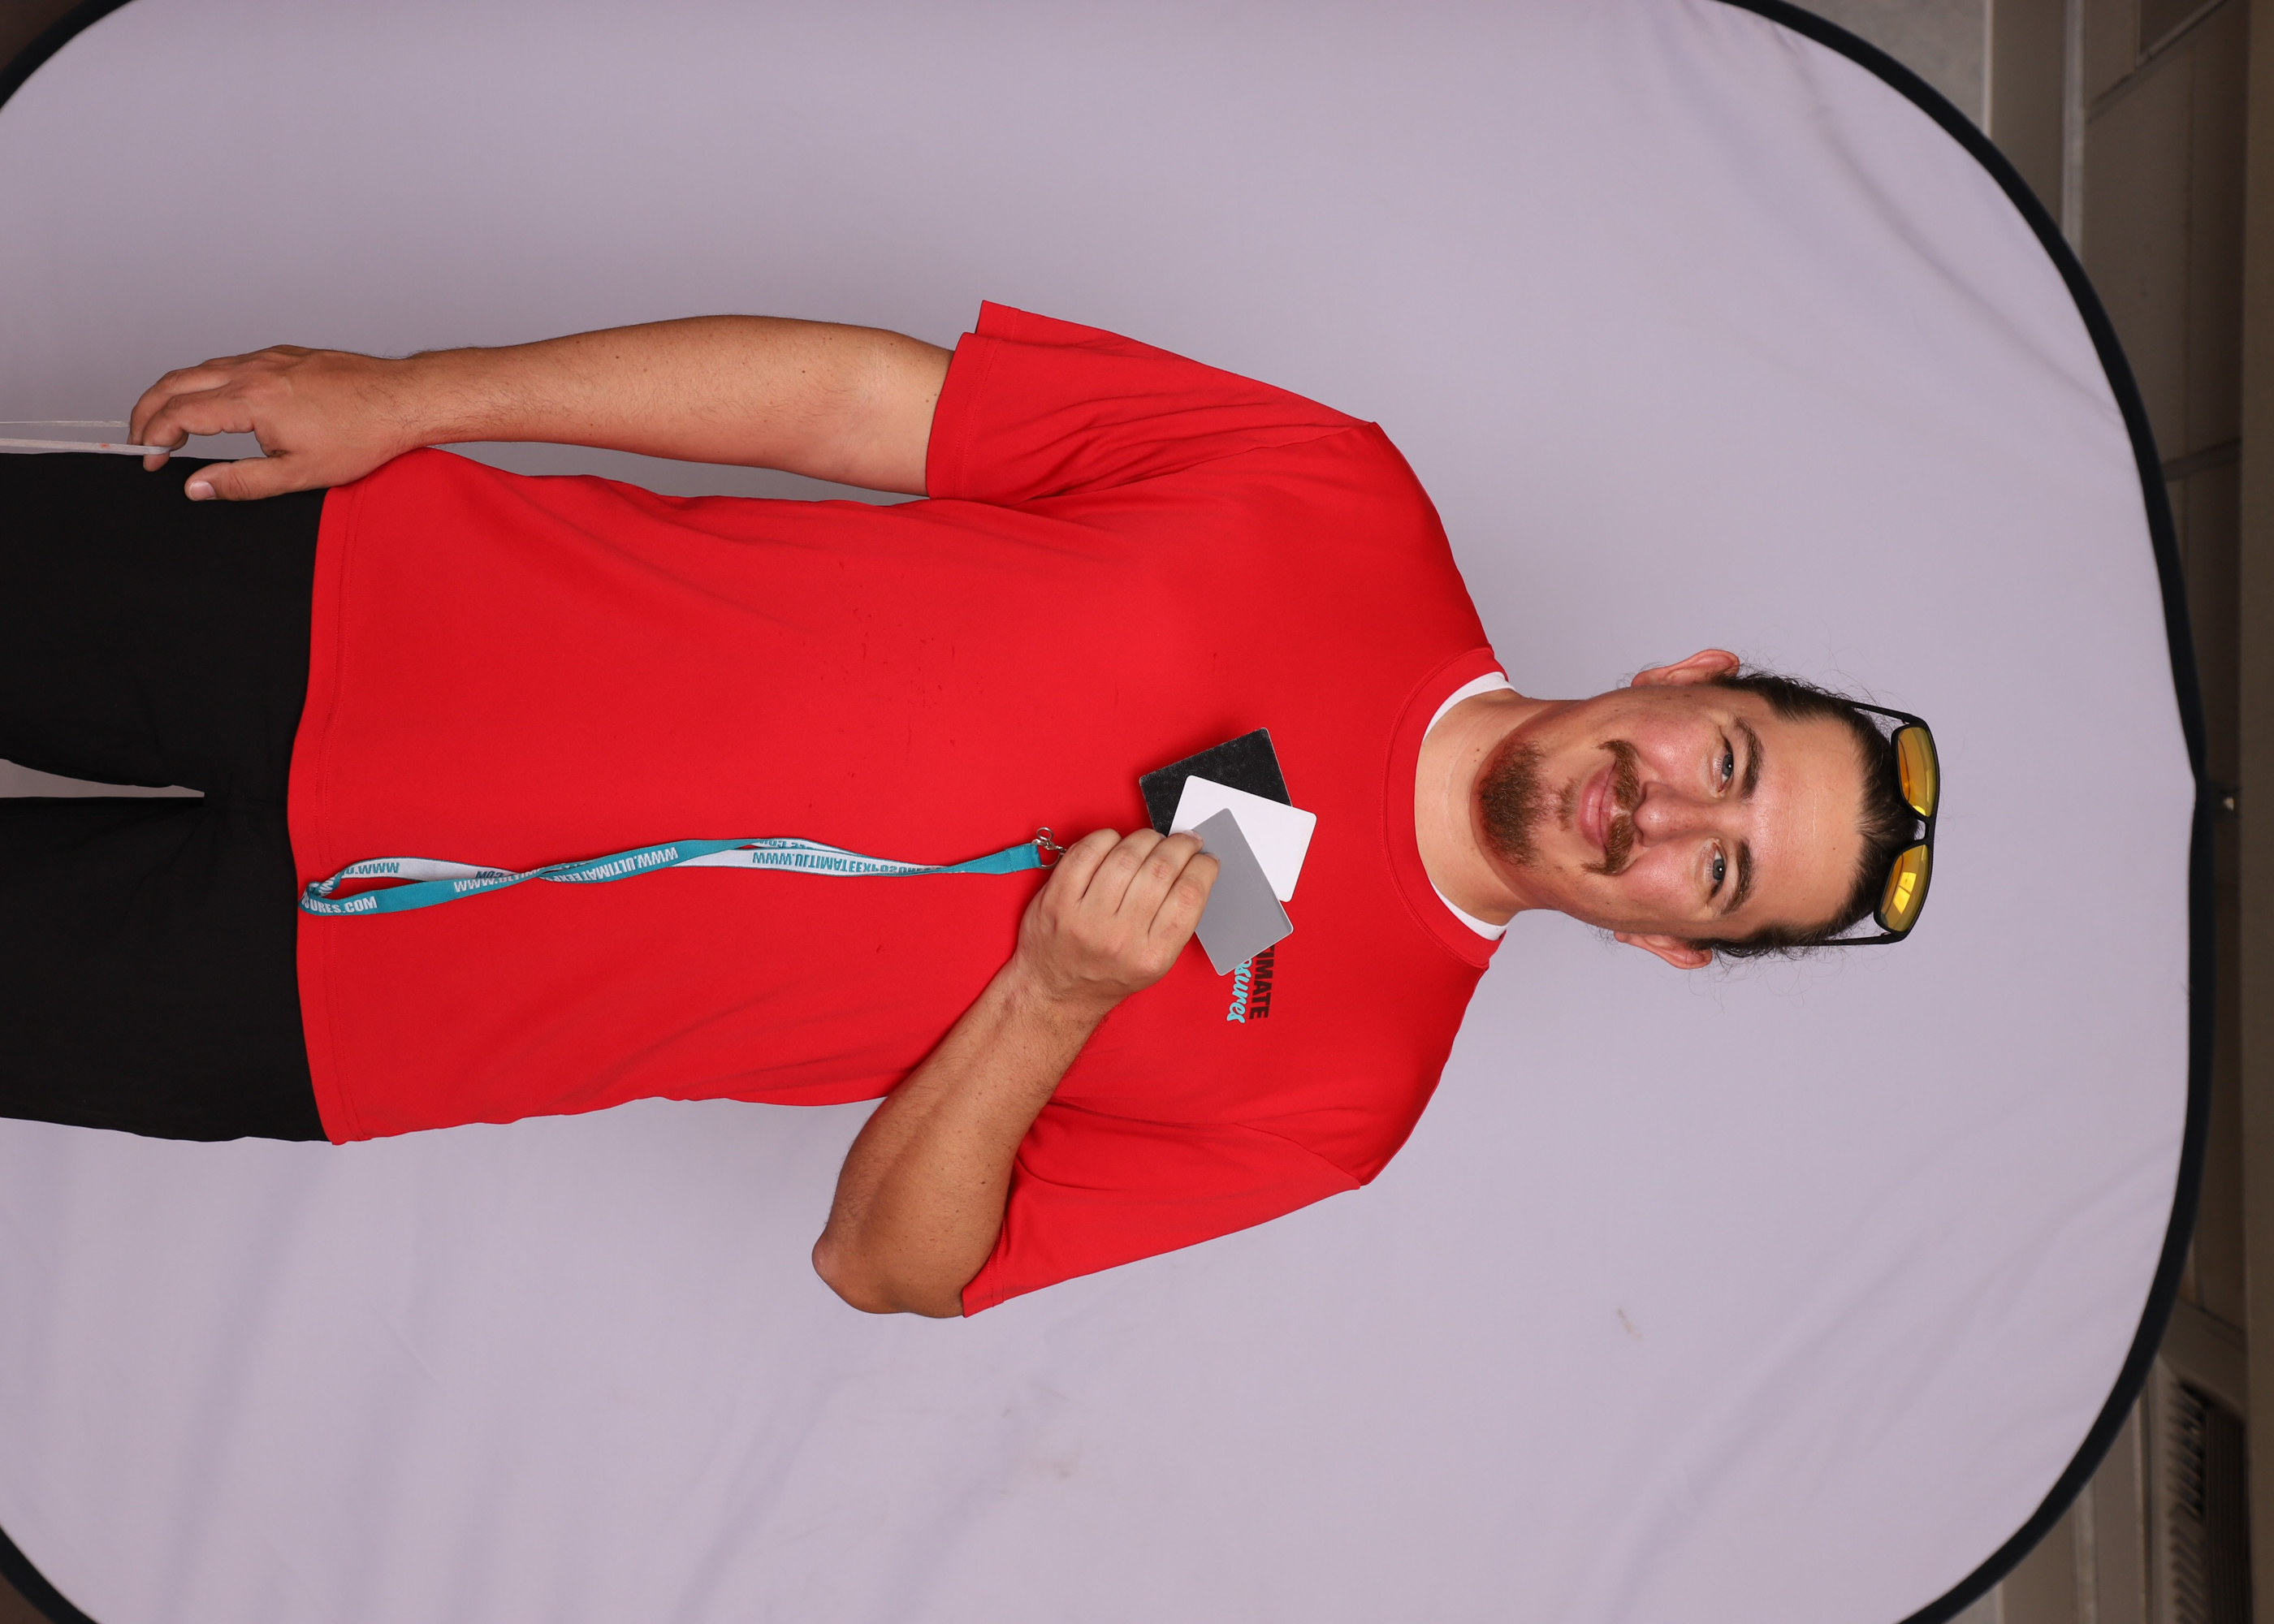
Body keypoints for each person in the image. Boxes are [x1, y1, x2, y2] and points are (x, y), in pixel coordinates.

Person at [0, 304, 1922, 1319]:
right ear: (1690, 677)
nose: (1658, 814)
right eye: (1727, 760)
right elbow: (858, 405)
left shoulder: (1340, 1101)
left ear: (1673, 943)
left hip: (329, 1014)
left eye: (1718, 872)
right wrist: (425, 392)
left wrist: (1049, 1001)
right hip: (354, 599)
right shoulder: (1338, 494)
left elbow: (891, 1266)